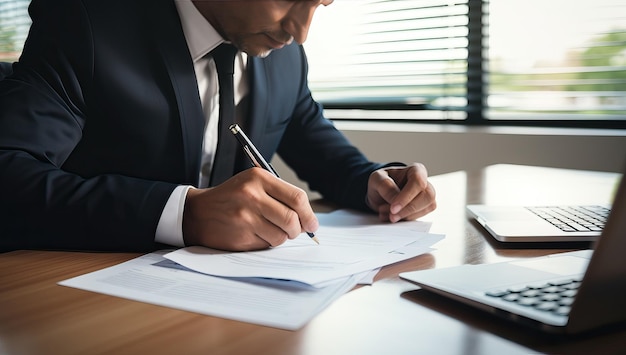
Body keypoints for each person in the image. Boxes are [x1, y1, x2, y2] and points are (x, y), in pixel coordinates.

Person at [0, 0, 436, 253]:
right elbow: (9, 173)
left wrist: (374, 181)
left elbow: (315, 140)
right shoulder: (86, 22)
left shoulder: (284, 55)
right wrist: (183, 213)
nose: (301, 30)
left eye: (320, 3)